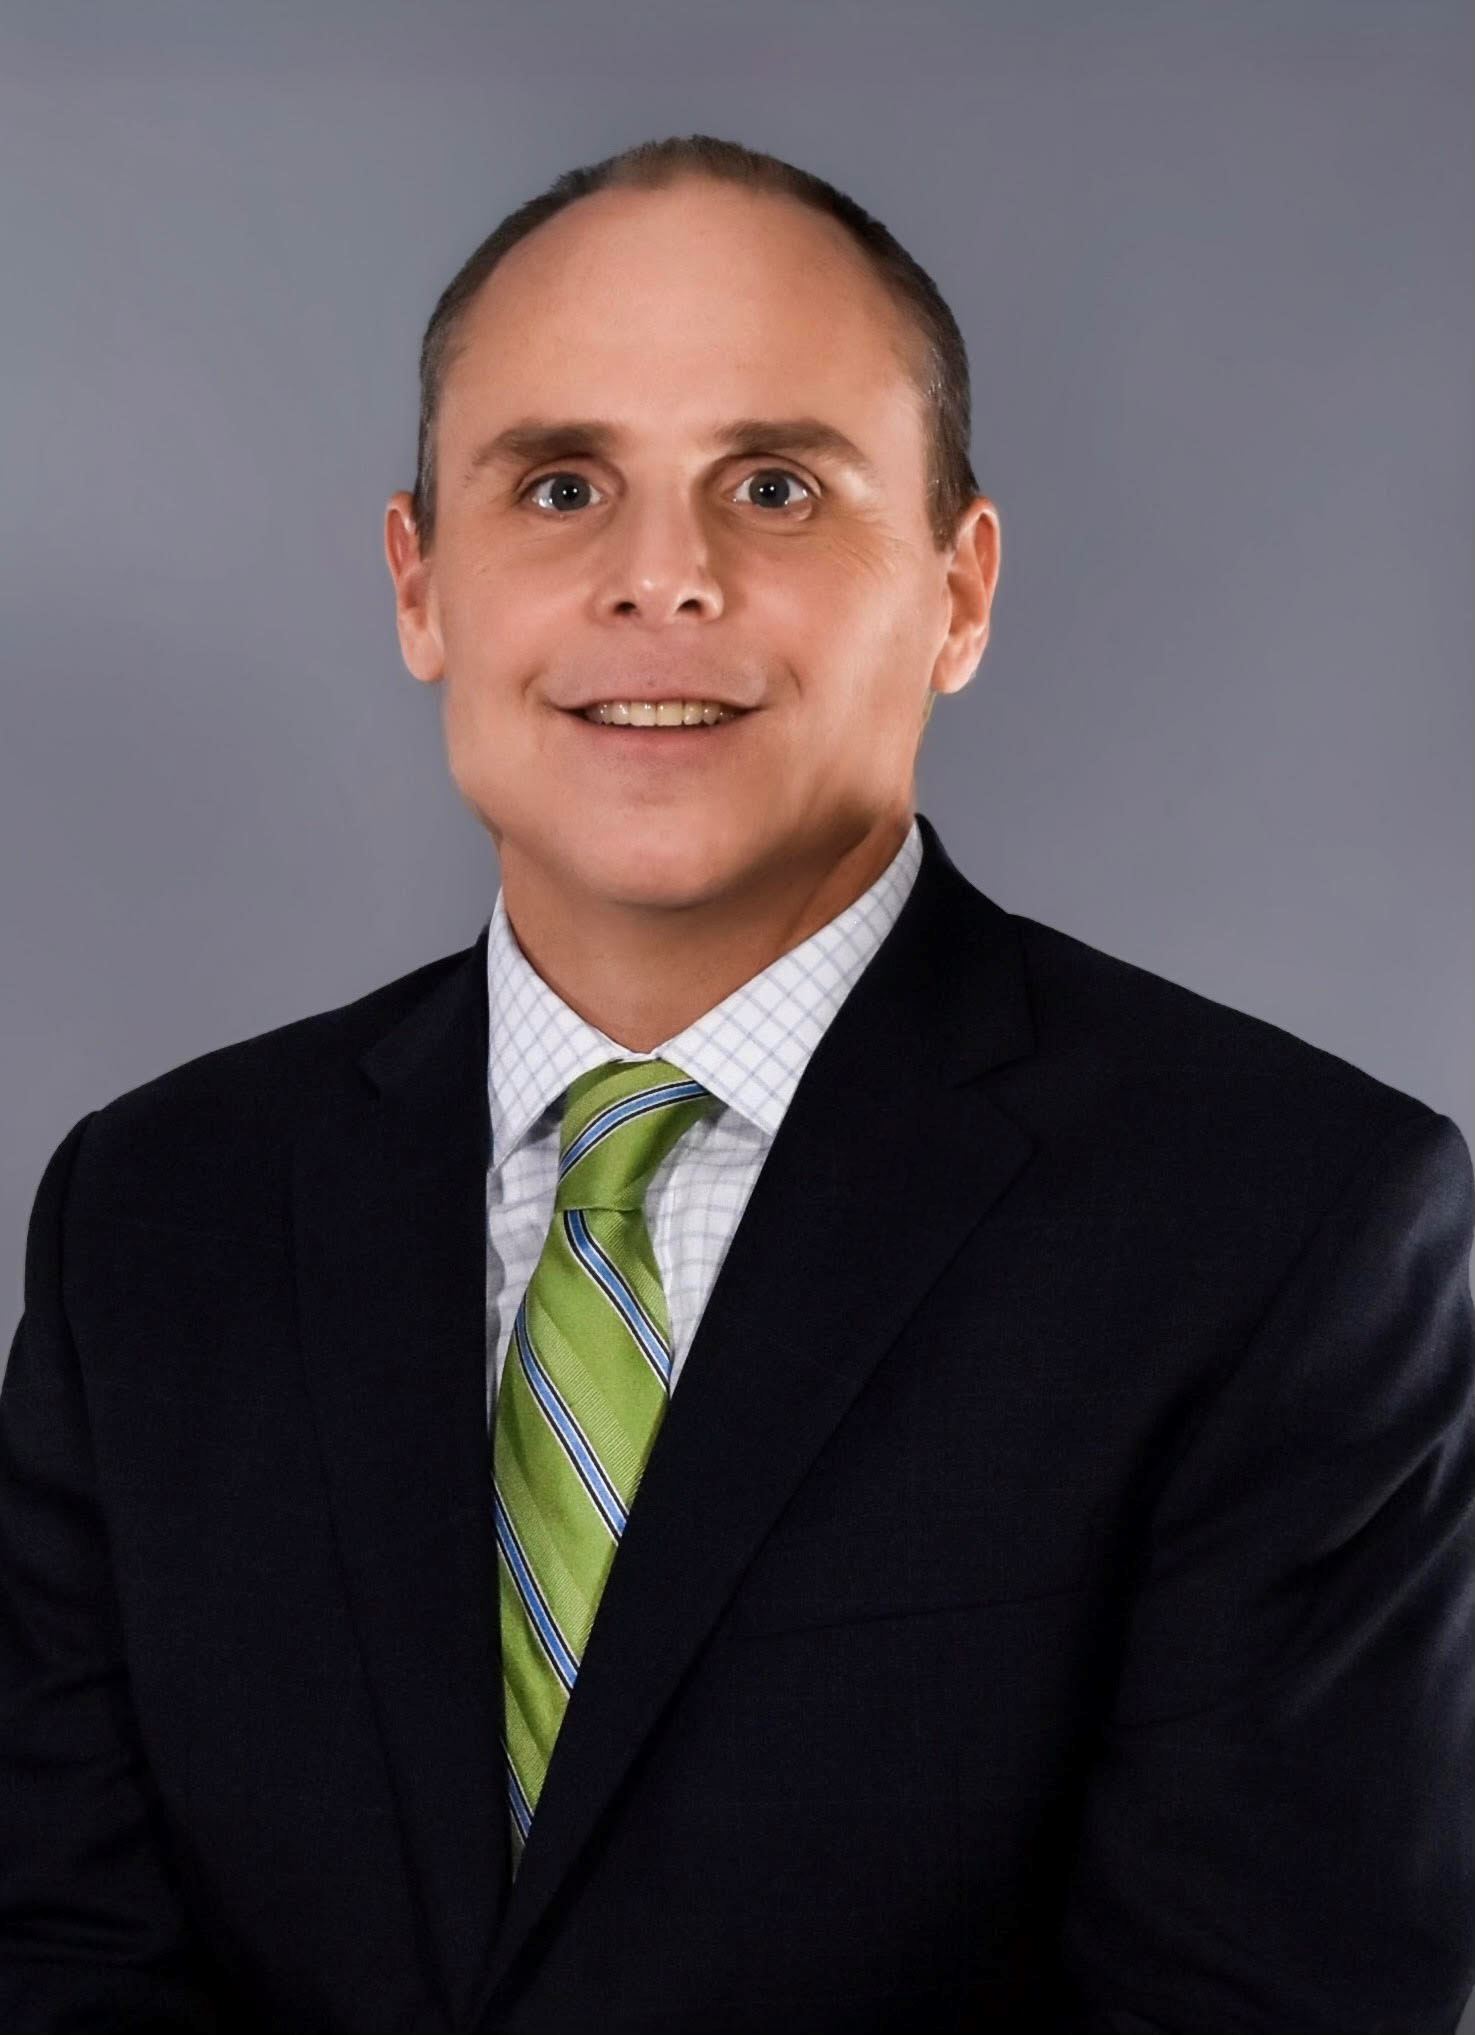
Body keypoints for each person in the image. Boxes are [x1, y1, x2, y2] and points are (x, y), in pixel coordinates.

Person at [1, 132, 1471, 2035]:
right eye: (559, 485)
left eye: (774, 486)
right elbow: (59, 1968)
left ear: (957, 591)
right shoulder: (154, 1213)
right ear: (421, 584)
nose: (662, 581)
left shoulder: (1287, 1229)